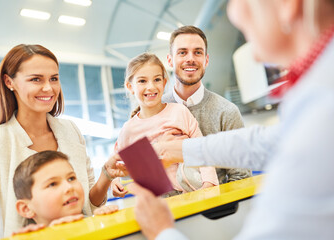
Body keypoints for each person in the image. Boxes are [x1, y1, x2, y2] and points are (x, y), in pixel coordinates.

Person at [129, 0, 334, 239]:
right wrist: (181, 149)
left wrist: (162, 231)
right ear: (170, 60)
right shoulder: (318, 91)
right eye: (182, 52)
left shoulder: (323, 107)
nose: (234, 14)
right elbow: (270, 141)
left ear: (286, 5)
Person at [0, 44, 126, 239]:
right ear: (9, 82)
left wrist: (105, 175)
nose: (48, 88)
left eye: (54, 78)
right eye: (36, 79)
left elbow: (87, 205)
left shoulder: (70, 130)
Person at [110, 53, 218, 198]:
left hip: (196, 191)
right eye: (142, 81)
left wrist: (208, 183)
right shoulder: (129, 129)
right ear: (130, 87)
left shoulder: (179, 112)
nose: (151, 87)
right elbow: (115, 161)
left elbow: (202, 149)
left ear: (164, 83)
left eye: (157, 79)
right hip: (159, 200)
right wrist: (114, 181)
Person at [162, 25, 252, 184]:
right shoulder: (153, 110)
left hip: (214, 207)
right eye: (182, 52)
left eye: (198, 52)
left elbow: (241, 177)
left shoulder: (227, 112)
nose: (190, 58)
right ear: (170, 60)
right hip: (167, 208)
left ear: (206, 60)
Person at [13, 150, 118, 235]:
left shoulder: (95, 224)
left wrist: (109, 223)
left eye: (71, 178)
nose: (69, 187)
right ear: (26, 208)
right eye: (52, 184)